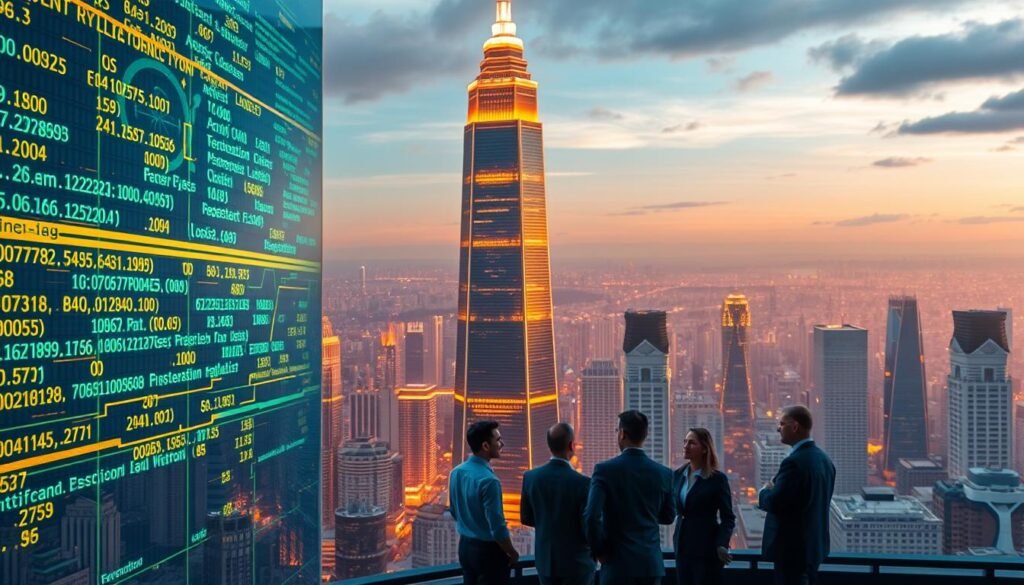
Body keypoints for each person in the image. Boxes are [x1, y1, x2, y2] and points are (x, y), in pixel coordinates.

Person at [584, 410, 674, 585]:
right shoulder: (664, 473)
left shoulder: (604, 470)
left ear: (622, 433)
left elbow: (591, 517)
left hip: (617, 564)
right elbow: (668, 516)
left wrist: (599, 551)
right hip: (650, 565)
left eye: (617, 431)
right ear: (645, 435)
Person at [758, 405, 836, 585]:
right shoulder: (825, 460)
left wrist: (764, 492)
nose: (778, 428)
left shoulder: (793, 463)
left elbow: (775, 503)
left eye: (782, 424)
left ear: (794, 426)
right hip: (815, 547)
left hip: (792, 551)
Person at [521, 422, 596, 585]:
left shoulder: (531, 478)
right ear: (571, 445)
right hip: (577, 564)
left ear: (549, 446)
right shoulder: (583, 483)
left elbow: (526, 518)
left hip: (546, 562)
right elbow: (587, 525)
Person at [449, 420, 520, 585]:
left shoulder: (456, 472)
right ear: (486, 446)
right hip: (488, 553)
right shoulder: (489, 481)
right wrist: (512, 552)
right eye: (498, 440)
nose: (502, 444)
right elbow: (497, 527)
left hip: (465, 548)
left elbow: (454, 510)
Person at [672, 428, 735, 585]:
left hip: (706, 549)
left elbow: (728, 518)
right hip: (682, 547)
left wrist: (722, 544)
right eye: (685, 442)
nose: (686, 446)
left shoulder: (717, 479)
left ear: (705, 448)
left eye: (692, 443)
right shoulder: (678, 475)